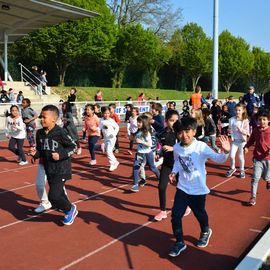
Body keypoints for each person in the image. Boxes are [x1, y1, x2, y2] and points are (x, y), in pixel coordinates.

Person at [167, 117, 230, 257]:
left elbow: (218, 159)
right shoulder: (177, 147)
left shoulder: (201, 147)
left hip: (198, 189)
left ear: (194, 131)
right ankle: (179, 242)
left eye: (187, 131)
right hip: (182, 188)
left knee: (199, 213)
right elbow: (178, 162)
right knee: (175, 215)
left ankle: (205, 230)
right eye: (180, 132)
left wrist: (225, 152)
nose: (184, 135)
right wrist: (173, 172)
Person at [29, 105, 78, 225]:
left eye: (44, 117)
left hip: (61, 168)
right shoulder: (39, 133)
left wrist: (61, 155)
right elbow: (41, 151)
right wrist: (35, 155)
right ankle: (67, 208)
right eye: (41, 117)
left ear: (53, 119)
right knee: (59, 193)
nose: (41, 119)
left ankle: (70, 209)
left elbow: (73, 147)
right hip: (48, 168)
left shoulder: (60, 132)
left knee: (53, 196)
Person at [154, 110, 180, 221]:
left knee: (182, 188)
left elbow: (185, 147)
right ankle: (163, 211)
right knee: (161, 186)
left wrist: (173, 148)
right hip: (167, 164)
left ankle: (187, 205)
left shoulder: (181, 133)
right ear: (166, 121)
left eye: (176, 120)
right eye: (171, 120)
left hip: (180, 165)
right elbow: (159, 145)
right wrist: (158, 154)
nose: (174, 123)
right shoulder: (162, 133)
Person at [244, 110, 270, 206]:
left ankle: (268, 180)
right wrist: (246, 147)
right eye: (260, 119)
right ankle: (253, 197)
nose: (262, 121)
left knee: (266, 176)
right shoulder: (255, 131)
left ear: (268, 120)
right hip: (257, 158)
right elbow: (251, 141)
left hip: (268, 159)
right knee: (255, 178)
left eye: (264, 119)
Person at [130, 115, 160, 192]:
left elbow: (150, 144)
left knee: (152, 167)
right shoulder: (138, 131)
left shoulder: (147, 133)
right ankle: (135, 185)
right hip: (139, 153)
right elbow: (134, 139)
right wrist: (131, 137)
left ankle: (160, 179)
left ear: (144, 123)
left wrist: (141, 141)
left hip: (148, 153)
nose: (138, 123)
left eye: (139, 122)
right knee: (135, 167)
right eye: (137, 122)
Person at [226, 104, 249, 178]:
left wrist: (240, 129)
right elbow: (229, 129)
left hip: (242, 141)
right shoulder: (231, 119)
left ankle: (242, 170)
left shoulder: (245, 120)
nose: (237, 112)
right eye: (236, 110)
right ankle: (232, 168)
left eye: (239, 110)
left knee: (240, 156)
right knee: (232, 156)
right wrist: (229, 131)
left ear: (243, 111)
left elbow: (247, 132)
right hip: (234, 141)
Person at [99, 106, 120, 171]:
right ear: (102, 113)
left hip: (111, 138)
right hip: (105, 138)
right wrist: (97, 131)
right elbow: (99, 127)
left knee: (108, 151)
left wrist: (113, 134)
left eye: (108, 113)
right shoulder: (101, 120)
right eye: (105, 113)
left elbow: (117, 127)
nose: (107, 115)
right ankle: (115, 162)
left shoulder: (111, 121)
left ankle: (112, 164)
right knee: (108, 151)